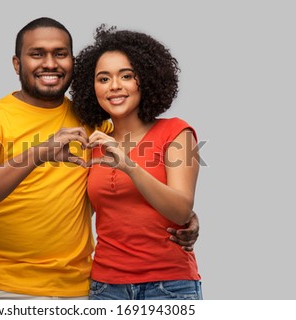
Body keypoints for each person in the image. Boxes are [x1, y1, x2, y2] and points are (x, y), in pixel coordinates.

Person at [0, 17, 199, 300]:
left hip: (80, 290)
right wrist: (40, 152)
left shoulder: (95, 125)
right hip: (6, 288)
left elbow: (137, 186)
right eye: (36, 54)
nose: (50, 64)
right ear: (17, 64)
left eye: (60, 54)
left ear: (72, 62)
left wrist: (186, 216)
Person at [71, 25, 203, 300]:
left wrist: (129, 166)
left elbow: (180, 211)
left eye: (126, 76)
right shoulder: (94, 143)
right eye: (103, 79)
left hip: (169, 286)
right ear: (91, 86)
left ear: (145, 79)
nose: (114, 86)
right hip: (106, 287)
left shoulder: (176, 132)